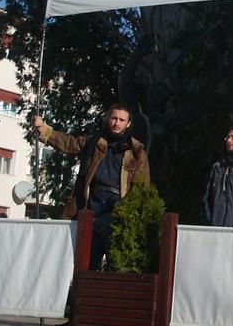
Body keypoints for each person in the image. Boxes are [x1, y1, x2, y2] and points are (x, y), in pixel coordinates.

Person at [33, 103, 150, 269]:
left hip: (117, 211)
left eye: (121, 120)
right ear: (108, 119)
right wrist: (44, 130)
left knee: (116, 264)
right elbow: (70, 143)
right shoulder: (95, 141)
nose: (117, 123)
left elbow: (140, 186)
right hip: (91, 206)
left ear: (128, 123)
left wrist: (126, 211)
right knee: (85, 263)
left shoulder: (136, 150)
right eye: (114, 118)